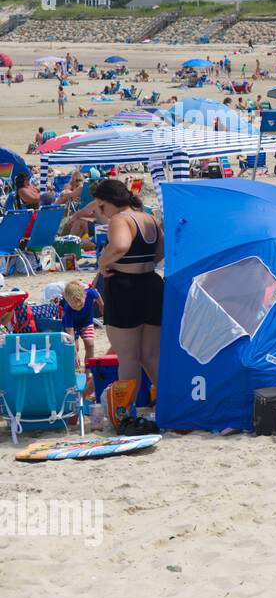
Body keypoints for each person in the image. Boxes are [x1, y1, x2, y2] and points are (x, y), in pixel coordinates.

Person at [93, 178, 163, 435]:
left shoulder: (120, 220)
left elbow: (121, 245)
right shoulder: (148, 218)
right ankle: (168, 403)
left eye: (101, 207)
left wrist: (103, 262)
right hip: (151, 285)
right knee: (151, 355)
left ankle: (125, 414)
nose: (101, 213)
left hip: (125, 287)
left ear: (107, 202)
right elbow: (159, 253)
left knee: (129, 356)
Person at [60, 279, 101, 368]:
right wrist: (75, 354)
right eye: (74, 307)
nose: (78, 308)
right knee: (74, 348)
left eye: (81, 305)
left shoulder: (90, 293)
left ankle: (89, 368)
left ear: (84, 295)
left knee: (90, 345)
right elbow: (70, 333)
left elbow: (97, 295)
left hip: (86, 323)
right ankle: (75, 367)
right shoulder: (68, 309)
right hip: (72, 326)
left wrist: (102, 308)